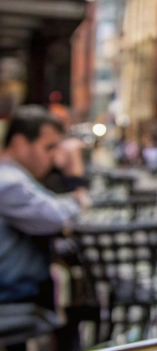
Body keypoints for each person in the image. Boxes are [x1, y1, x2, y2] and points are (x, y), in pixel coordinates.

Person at [0, 106, 89, 304]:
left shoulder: (16, 177)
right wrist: (79, 193)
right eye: (49, 147)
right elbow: (55, 218)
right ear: (20, 143)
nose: (53, 157)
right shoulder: (8, 181)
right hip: (13, 293)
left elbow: (52, 206)